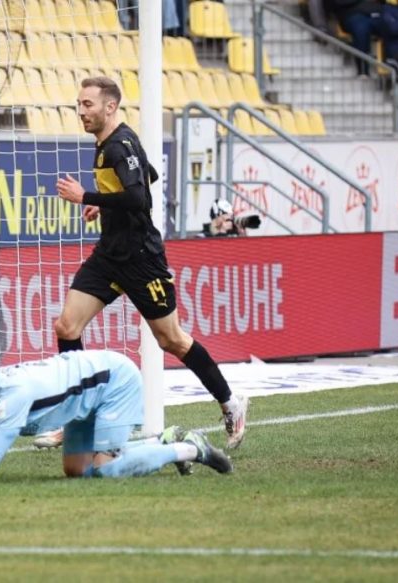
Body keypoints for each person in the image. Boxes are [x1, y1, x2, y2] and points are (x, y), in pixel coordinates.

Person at [40, 77, 249, 452]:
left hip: (140, 258)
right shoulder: (115, 140)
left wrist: (85, 195)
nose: (81, 111)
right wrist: (102, 200)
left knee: (171, 339)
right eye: (79, 104)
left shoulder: (119, 145)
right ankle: (79, 418)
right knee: (67, 325)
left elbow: (140, 197)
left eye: (88, 104)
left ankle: (230, 402)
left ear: (109, 107)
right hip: (109, 254)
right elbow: (148, 174)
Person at [0, 350, 233, 484]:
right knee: (76, 471)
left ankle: (190, 448)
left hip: (113, 381)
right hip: (82, 395)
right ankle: (160, 441)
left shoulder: (12, 398)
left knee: (106, 468)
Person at [327, 0, 383, 76]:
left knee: (394, 25)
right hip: (353, 15)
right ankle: (363, 71)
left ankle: (395, 70)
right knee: (361, 29)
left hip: (379, 13)